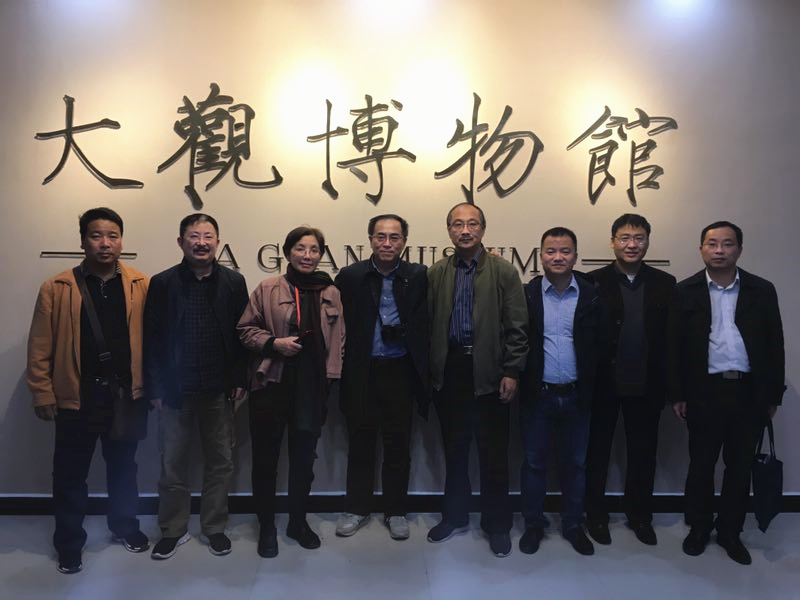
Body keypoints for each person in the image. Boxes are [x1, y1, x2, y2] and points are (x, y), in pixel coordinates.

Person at [27, 207, 150, 574]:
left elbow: (154, 340)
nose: (105, 243)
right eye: (96, 236)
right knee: (69, 474)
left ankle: (124, 526)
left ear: (122, 241)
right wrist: (42, 392)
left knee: (124, 468)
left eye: (112, 236)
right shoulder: (58, 287)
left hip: (124, 395)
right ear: (82, 241)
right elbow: (40, 345)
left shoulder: (140, 285)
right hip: (77, 395)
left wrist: (150, 387)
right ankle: (69, 544)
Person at [668, 221, 785, 565]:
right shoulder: (685, 291)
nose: (719, 250)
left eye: (727, 244)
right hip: (704, 390)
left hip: (748, 392)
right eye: (712, 243)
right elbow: (672, 347)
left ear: (739, 249)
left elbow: (775, 343)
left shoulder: (761, 290)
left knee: (739, 466)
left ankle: (730, 532)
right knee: (701, 465)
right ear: (701, 249)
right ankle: (699, 527)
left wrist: (773, 395)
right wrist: (677, 393)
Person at [143, 213, 249, 560]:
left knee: (221, 462)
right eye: (194, 236)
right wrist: (155, 388)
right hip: (175, 391)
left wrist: (240, 379)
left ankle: (214, 527)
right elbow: (151, 339)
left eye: (208, 236)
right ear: (181, 242)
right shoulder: (163, 283)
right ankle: (172, 529)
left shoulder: (234, 282)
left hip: (218, 389)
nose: (201, 243)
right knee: (173, 464)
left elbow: (242, 335)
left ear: (217, 241)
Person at [426, 202, 528, 557]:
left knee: (493, 453)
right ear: (449, 231)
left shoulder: (503, 271)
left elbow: (518, 326)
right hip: (450, 371)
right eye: (457, 224)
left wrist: (512, 370)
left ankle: (496, 525)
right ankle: (454, 516)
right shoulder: (437, 272)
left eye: (472, 224)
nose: (465, 230)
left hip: (491, 371)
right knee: (454, 450)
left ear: (483, 229)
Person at [238, 226, 345, 558]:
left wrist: (331, 378)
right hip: (271, 384)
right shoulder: (268, 288)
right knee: (265, 460)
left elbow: (340, 340)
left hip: (312, 388)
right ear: (287, 253)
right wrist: (274, 343)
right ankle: (267, 525)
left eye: (314, 250)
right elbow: (245, 329)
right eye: (300, 248)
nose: (307, 255)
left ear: (321, 254)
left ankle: (298, 522)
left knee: (303, 461)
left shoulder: (331, 292)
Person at [334, 214, 428, 541]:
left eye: (394, 237)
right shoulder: (351, 276)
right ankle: (356, 508)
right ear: (370, 240)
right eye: (380, 237)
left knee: (398, 445)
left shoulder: (418, 276)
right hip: (362, 370)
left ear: (404, 241)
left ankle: (395, 511)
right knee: (360, 443)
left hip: (400, 370)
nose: (387, 243)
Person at [584, 214, 676, 546]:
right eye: (624, 237)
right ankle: (595, 515)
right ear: (613, 242)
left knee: (643, 454)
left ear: (648, 242)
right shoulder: (593, 281)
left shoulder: (665, 283)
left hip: (647, 384)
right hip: (603, 384)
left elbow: (672, 340)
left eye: (639, 238)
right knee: (597, 453)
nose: (632, 244)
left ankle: (640, 516)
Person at [518, 227, 602, 556]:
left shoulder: (591, 295)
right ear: (540, 256)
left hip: (578, 395)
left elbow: (601, 344)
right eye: (551, 251)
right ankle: (533, 525)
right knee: (534, 464)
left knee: (576, 465)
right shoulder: (527, 294)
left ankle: (572, 525)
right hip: (537, 395)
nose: (558, 257)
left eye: (565, 251)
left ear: (575, 256)